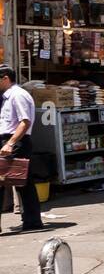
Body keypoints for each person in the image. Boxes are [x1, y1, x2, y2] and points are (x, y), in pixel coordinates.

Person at [0, 66, 45, 232]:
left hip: (15, 142)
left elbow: (25, 121)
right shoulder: (6, 96)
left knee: (23, 183)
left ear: (5, 78)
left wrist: (10, 143)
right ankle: (31, 220)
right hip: (7, 140)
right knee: (9, 182)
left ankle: (32, 221)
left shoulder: (17, 95)